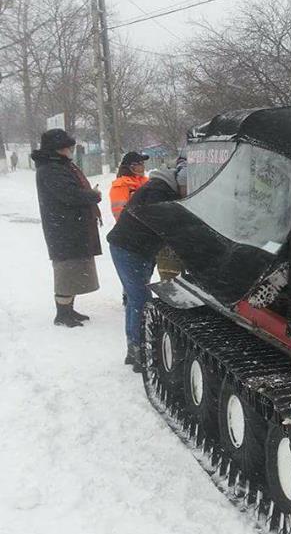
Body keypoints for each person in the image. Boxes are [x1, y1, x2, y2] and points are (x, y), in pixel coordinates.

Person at [107, 166, 187, 371]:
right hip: (129, 250)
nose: (189, 195)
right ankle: (141, 353)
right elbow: (166, 225)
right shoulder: (158, 193)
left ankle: (134, 350)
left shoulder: (160, 189)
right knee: (141, 301)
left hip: (136, 249)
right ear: (181, 183)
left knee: (136, 299)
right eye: (188, 189)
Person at [32, 129, 102, 328]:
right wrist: (93, 195)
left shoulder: (57, 165)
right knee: (66, 269)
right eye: (66, 147)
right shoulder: (51, 169)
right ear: (57, 149)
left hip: (69, 226)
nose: (69, 150)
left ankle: (68, 309)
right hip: (63, 228)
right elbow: (69, 195)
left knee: (73, 269)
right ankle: (62, 314)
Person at [109, 151, 149, 220]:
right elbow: (120, 215)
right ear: (131, 167)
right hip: (135, 227)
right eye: (139, 164)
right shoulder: (121, 185)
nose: (143, 167)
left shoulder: (146, 181)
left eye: (143, 163)